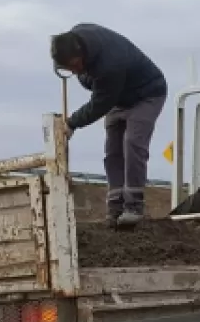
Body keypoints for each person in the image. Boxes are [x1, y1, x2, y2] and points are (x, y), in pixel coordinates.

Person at [50, 24, 168, 228]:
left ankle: (134, 206)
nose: (75, 71)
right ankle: (115, 207)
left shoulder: (109, 64)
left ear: (81, 52)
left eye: (75, 66)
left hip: (147, 94)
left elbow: (101, 103)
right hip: (118, 96)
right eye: (68, 69)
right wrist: (81, 75)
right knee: (113, 151)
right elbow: (93, 86)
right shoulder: (74, 41)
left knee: (133, 143)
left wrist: (72, 123)